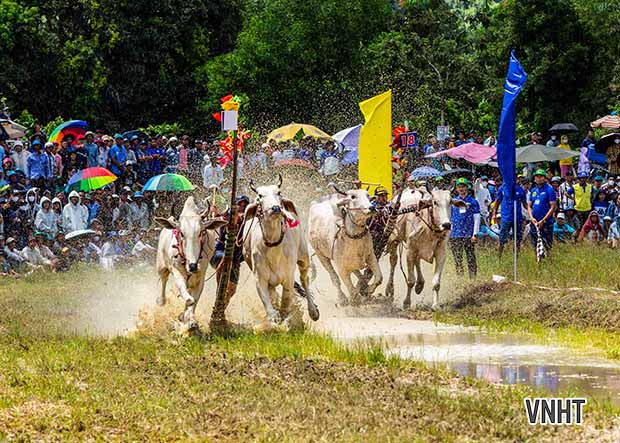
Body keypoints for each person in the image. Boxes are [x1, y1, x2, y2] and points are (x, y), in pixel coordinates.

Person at [210, 195, 249, 306]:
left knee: (232, 290)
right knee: (224, 260)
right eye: (240, 205)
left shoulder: (249, 220)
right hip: (220, 253)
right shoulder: (226, 216)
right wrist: (214, 213)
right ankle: (219, 294)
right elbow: (228, 220)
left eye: (245, 206)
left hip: (236, 259)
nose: (242, 207)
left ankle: (221, 309)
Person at [449, 178, 480, 279]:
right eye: (459, 187)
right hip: (455, 234)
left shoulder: (473, 201)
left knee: (470, 257)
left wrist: (475, 234)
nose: (461, 189)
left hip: (468, 234)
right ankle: (460, 278)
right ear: (456, 189)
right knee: (457, 258)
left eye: (463, 186)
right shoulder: (453, 202)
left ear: (467, 188)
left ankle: (473, 278)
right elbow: (449, 217)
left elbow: (477, 218)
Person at [491, 178, 528, 256]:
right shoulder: (502, 188)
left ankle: (516, 256)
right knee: (502, 238)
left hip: (517, 218)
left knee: (517, 239)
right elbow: (497, 202)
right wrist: (494, 214)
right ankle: (499, 256)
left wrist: (532, 212)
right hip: (506, 218)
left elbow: (525, 204)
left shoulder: (520, 189)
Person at [527, 169, 557, 249]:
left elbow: (553, 207)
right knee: (534, 244)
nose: (539, 178)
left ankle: (549, 257)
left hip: (546, 222)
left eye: (541, 176)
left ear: (545, 178)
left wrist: (543, 220)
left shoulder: (549, 190)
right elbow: (529, 206)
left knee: (547, 245)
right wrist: (532, 218)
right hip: (535, 222)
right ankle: (536, 257)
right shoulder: (533, 190)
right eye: (537, 176)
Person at [369, 186, 392, 259]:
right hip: (373, 232)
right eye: (381, 196)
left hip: (387, 232)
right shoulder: (371, 205)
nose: (384, 198)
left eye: (385, 195)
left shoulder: (390, 205)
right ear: (376, 197)